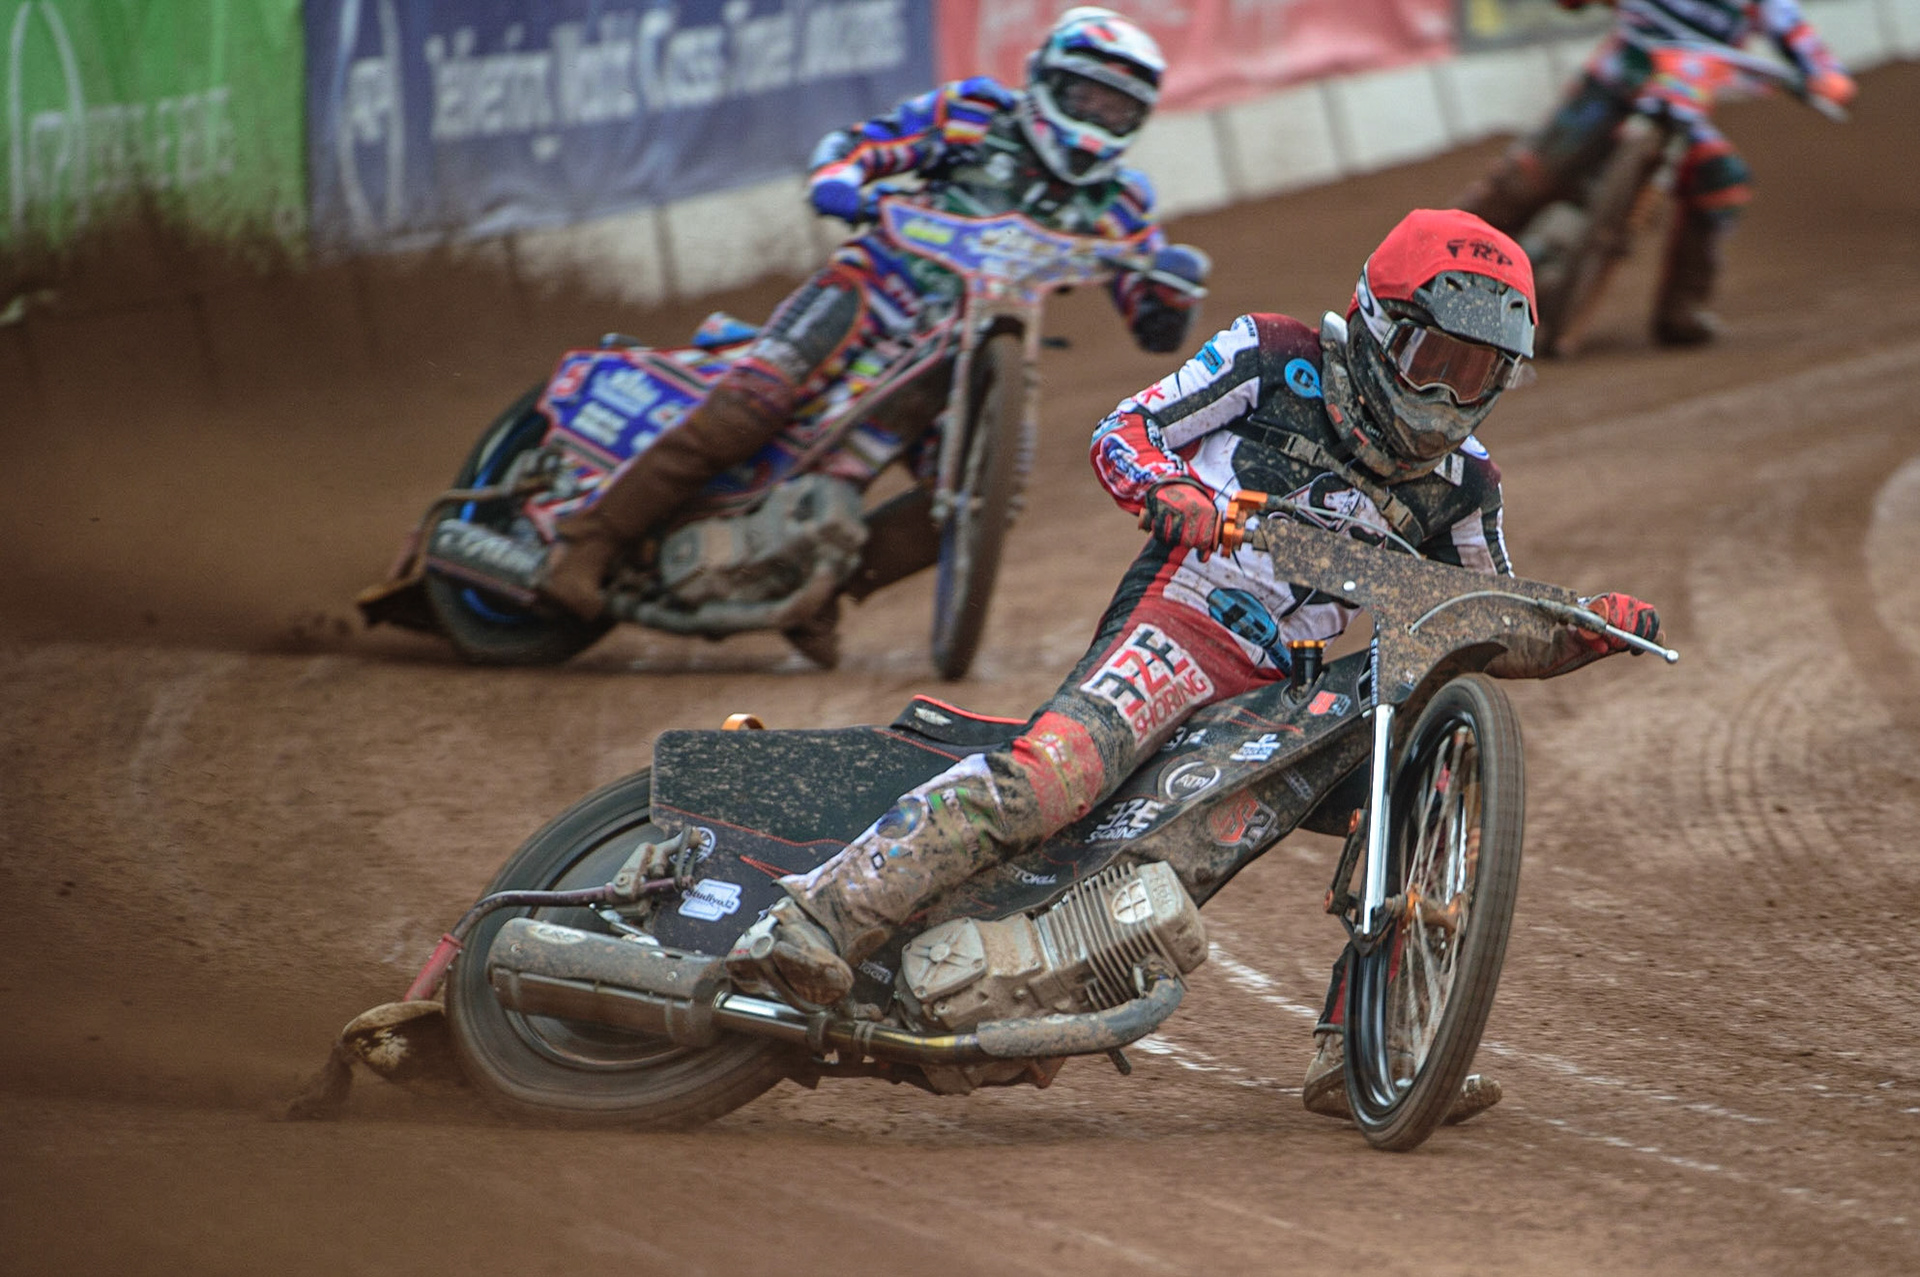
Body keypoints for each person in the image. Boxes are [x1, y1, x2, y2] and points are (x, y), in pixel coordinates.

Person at [725, 207, 1666, 1123]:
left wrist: (1585, 626)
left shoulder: (1467, 484)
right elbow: (1121, 431)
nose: (1452, 396)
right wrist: (1169, 486)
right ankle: (811, 924)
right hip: (1179, 624)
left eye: (1481, 374)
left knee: (1410, 782)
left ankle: (1357, 1051)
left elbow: (1482, 619)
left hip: (1282, 690)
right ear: (1382, 326)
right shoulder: (1270, 356)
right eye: (1437, 362)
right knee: (1052, 781)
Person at [536, 7, 1210, 661]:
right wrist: (843, 177)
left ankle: (823, 593)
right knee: (753, 403)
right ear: (1050, 81)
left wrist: (1170, 294)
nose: (1097, 115)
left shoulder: (1118, 203)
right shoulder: (975, 116)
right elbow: (865, 144)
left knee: (983, 501)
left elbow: (1151, 311)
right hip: (869, 295)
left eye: (1115, 106)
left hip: (967, 357)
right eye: (1087, 94)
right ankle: (585, 541)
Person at [1455, 0, 1856, 346]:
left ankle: (1682, 310)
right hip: (1614, 83)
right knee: (1530, 178)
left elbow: (1799, 37)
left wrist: (1825, 75)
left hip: (1681, 107)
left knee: (1722, 180)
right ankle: (1442, 262)